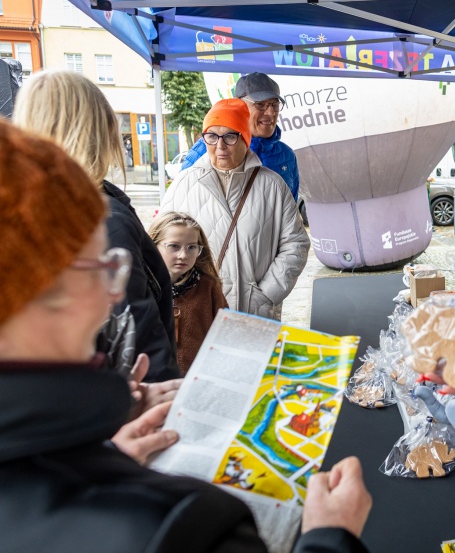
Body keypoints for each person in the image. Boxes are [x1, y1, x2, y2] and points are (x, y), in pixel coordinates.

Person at [0, 121, 371, 553]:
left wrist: (103, 457)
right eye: (102, 268)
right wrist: (331, 534)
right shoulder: (183, 524)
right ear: (52, 292)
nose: (113, 292)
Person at [12, 70, 178, 381]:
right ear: (100, 131)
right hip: (123, 401)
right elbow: (139, 342)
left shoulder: (27, 209)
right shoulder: (101, 219)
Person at [161, 98, 310, 320]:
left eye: (230, 136)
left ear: (245, 138)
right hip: (198, 312)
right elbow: (160, 244)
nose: (220, 146)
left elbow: (296, 243)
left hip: (255, 313)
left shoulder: (272, 185)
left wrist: (266, 295)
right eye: (212, 136)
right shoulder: (184, 184)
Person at [182, 72, 300, 202]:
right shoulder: (208, 148)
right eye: (260, 104)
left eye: (275, 105)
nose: (270, 112)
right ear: (238, 105)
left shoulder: (287, 155)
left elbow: (291, 208)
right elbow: (180, 204)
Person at [149, 212, 228, 373]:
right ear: (153, 246)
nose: (183, 255)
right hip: (153, 380)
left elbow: (225, 333)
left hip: (197, 377)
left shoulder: (208, 286)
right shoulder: (141, 287)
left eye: (192, 247)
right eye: (174, 246)